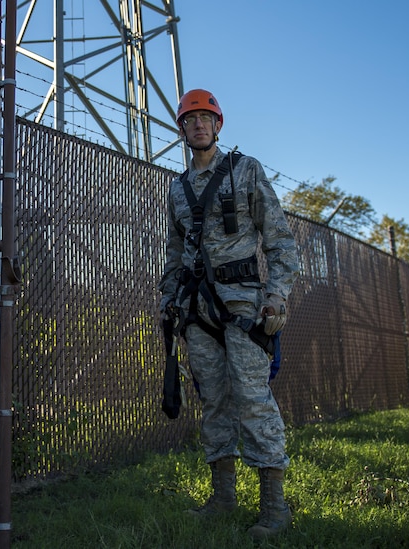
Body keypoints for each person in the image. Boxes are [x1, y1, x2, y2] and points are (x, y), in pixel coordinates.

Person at [159, 89, 299, 539]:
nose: (198, 125)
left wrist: (277, 295)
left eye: (206, 118)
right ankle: (222, 498)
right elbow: (175, 252)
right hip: (197, 310)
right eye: (190, 119)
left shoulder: (246, 171)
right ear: (182, 129)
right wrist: (169, 301)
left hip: (244, 306)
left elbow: (279, 240)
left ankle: (275, 509)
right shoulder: (177, 190)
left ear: (218, 125)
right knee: (214, 401)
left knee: (252, 398)